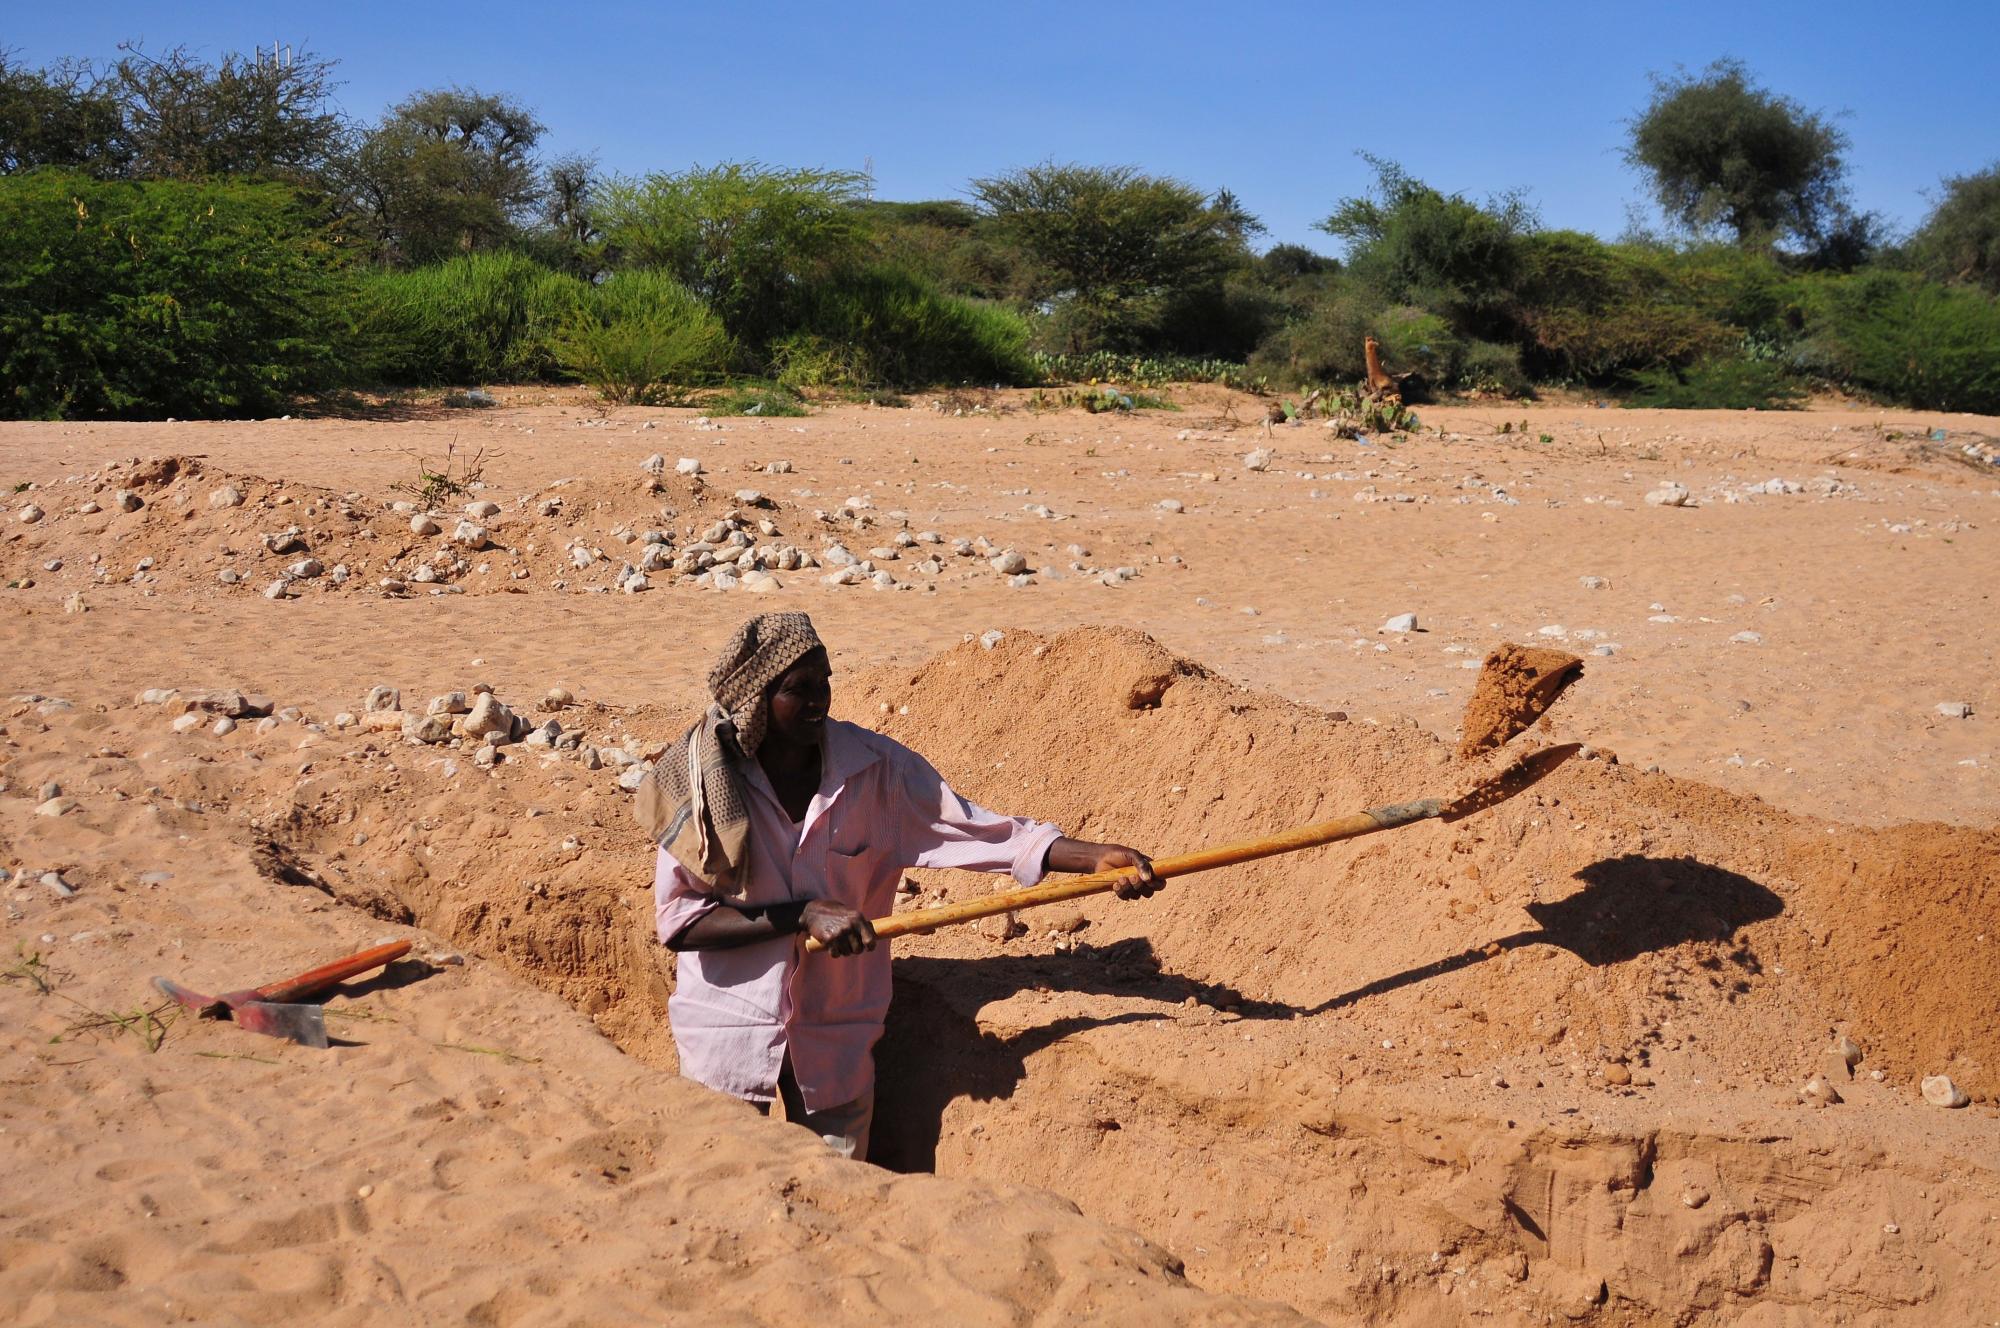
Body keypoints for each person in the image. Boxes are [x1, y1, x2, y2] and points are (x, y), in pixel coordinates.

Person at [642, 612, 1158, 1160]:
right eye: (799, 689)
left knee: (839, 1201)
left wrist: (1092, 858)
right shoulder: (706, 785)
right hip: (727, 1030)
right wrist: (802, 914)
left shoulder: (877, 773)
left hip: (835, 1031)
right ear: (757, 701)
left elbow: (981, 831)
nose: (820, 701)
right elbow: (681, 923)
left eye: (825, 683)